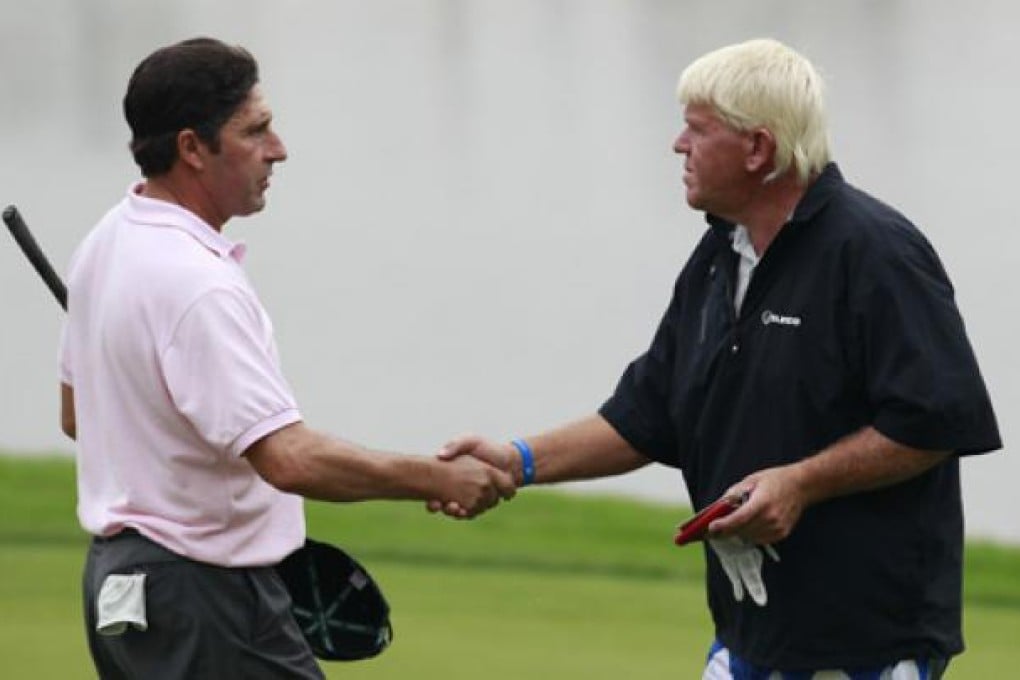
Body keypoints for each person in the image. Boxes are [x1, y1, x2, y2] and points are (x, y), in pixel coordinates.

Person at [436, 38, 1001, 678]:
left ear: (758, 149)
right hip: (750, 636)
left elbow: (936, 421)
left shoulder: (875, 252)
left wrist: (800, 482)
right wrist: (518, 459)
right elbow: (644, 417)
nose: (679, 145)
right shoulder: (718, 258)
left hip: (866, 643)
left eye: (696, 130)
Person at [58, 37, 514, 679]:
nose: (279, 149)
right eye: (256, 130)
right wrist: (436, 478)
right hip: (203, 595)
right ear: (192, 148)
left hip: (122, 593)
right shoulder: (198, 285)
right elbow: (287, 458)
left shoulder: (105, 244)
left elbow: (79, 417)